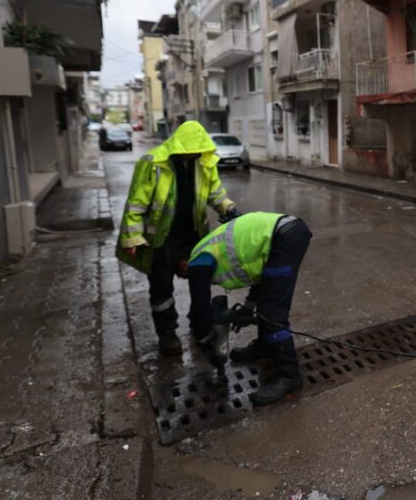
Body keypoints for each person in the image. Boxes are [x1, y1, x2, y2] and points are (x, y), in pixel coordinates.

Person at [116, 121, 238, 356]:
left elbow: (214, 192)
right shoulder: (153, 163)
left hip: (193, 234)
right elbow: (136, 203)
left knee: (200, 279)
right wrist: (132, 237)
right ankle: (167, 333)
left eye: (196, 150)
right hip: (160, 239)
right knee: (161, 288)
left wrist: (228, 208)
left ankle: (198, 321)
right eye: (188, 150)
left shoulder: (203, 162)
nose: (192, 154)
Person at [182, 211, 312, 406]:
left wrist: (207, 342)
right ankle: (265, 346)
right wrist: (248, 307)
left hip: (285, 239)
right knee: (267, 301)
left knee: (272, 312)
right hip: (287, 233)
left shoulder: (197, 261)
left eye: (182, 274)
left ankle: (289, 375)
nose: (186, 277)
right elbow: (261, 276)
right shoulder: (209, 248)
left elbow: (200, 308)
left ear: (182, 263)